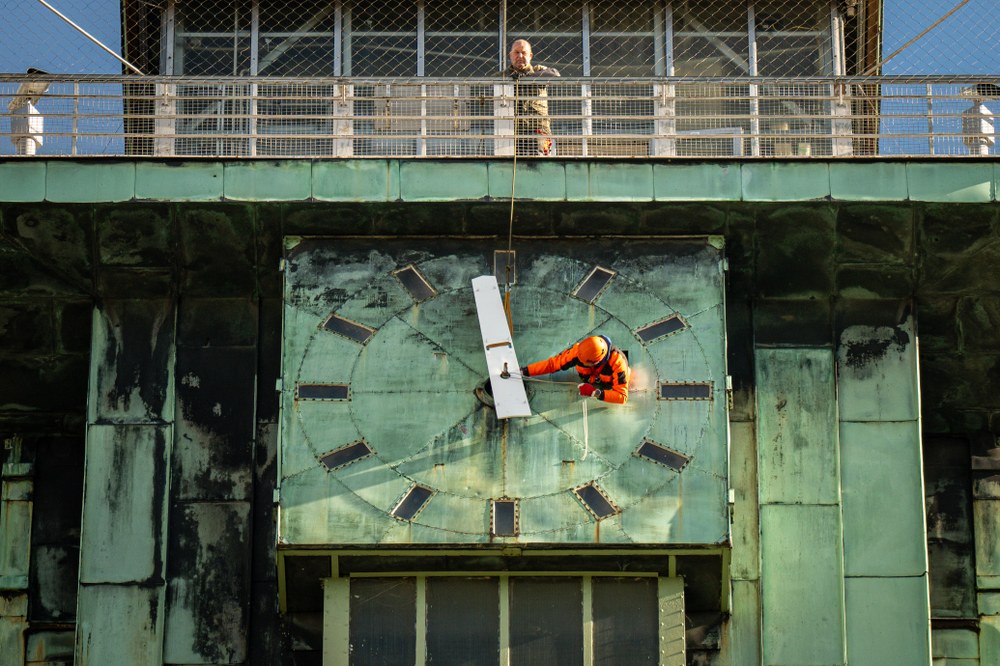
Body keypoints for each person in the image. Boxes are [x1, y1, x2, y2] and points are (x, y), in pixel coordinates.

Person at [520, 335, 630, 404]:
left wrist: (595, 393)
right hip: (591, 377)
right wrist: (526, 371)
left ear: (596, 362)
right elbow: (553, 364)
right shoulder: (579, 351)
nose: (580, 362)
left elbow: (622, 397)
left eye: (585, 363)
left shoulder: (618, 363)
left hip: (607, 384)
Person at [503, 39, 560, 156]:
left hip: (539, 130)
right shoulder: (503, 75)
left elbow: (555, 74)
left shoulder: (538, 70)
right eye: (516, 52)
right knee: (508, 161)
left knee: (540, 161)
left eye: (524, 53)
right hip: (511, 131)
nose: (520, 56)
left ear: (530, 56)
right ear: (510, 55)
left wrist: (526, 77)